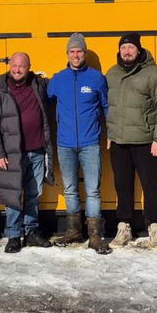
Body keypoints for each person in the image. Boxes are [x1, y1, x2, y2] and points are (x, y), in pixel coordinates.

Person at [106, 32, 157, 250]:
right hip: (119, 142)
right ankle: (124, 226)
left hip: (147, 142)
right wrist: (110, 134)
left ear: (139, 50)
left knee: (150, 186)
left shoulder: (154, 73)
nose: (127, 52)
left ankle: (154, 227)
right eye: (123, 48)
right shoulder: (112, 74)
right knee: (122, 186)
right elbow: (109, 107)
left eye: (131, 48)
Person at [0, 52, 55, 254]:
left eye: (22, 66)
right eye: (14, 65)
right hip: (11, 154)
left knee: (34, 194)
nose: (17, 69)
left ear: (29, 67)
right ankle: (14, 235)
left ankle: (31, 231)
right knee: (12, 195)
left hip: (37, 150)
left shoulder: (39, 85)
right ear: (10, 66)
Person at [48, 33, 111, 254]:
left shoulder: (96, 78)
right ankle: (73, 231)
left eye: (79, 51)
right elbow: (43, 101)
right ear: (67, 54)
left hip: (90, 142)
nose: (76, 55)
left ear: (84, 54)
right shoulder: (58, 79)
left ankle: (95, 235)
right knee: (70, 189)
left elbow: (106, 107)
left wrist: (111, 133)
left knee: (93, 190)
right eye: (72, 51)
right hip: (65, 143)